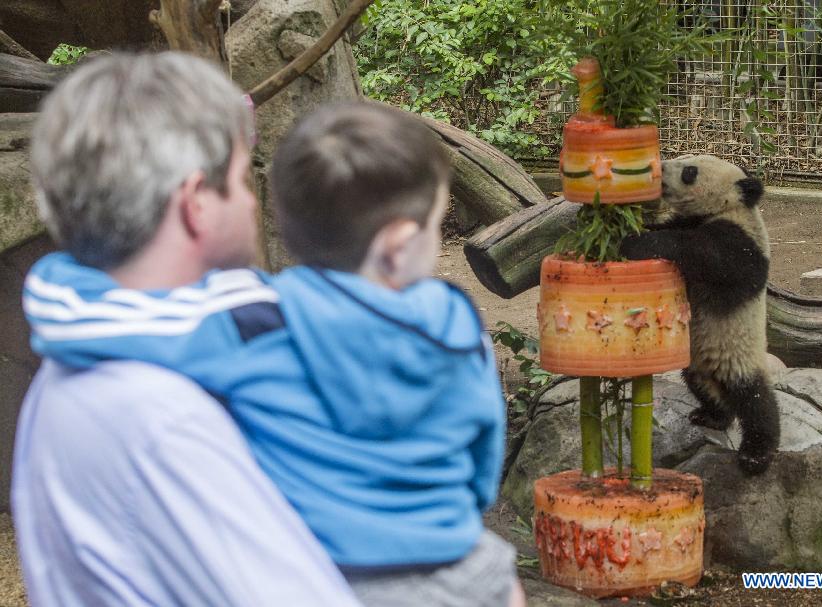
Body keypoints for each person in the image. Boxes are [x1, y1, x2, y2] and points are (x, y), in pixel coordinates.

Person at [25, 102, 526, 607]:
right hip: (465, 571)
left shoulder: (260, 318)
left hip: (334, 573)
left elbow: (134, 324)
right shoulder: (461, 327)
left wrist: (60, 281)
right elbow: (483, 468)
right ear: (399, 242)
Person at [13, 52, 362, 606]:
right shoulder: (163, 417)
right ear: (197, 202)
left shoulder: (68, 359)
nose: (253, 201)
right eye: (243, 180)